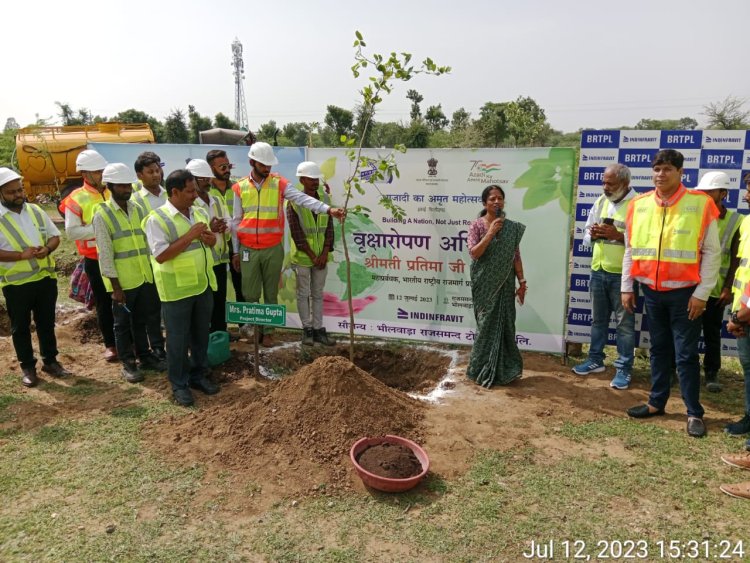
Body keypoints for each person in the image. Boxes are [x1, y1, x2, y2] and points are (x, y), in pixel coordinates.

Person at [622, 149, 720, 438]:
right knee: (659, 350)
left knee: (686, 354)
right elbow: (630, 250)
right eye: (657, 168)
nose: (660, 174)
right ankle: (656, 402)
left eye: (667, 169)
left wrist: (702, 294)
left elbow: (712, 253)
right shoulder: (638, 204)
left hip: (685, 294)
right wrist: (627, 286)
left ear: (680, 173)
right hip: (651, 292)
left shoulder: (700, 204)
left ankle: (693, 413)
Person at [230, 142, 345, 348]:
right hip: (248, 249)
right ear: (252, 162)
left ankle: (269, 333)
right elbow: (236, 221)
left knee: (271, 293)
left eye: (269, 165)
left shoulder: (279, 183)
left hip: (272, 248)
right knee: (250, 293)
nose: (267, 169)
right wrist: (236, 251)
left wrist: (328, 210)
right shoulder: (239, 187)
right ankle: (254, 329)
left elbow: (302, 199)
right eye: (263, 165)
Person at [144, 169, 219, 407]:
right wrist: (190, 236)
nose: (194, 196)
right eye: (189, 191)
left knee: (200, 335)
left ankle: (199, 375)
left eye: (195, 190)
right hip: (177, 290)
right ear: (174, 192)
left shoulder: (198, 211)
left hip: (202, 284)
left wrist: (210, 239)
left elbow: (210, 241)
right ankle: (179, 384)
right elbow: (161, 255)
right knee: (177, 340)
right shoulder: (158, 219)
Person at [93, 163, 166, 384]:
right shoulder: (102, 215)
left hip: (145, 275)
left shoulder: (138, 209)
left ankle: (146, 356)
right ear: (110, 186)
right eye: (121, 185)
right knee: (122, 324)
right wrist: (116, 288)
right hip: (122, 282)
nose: (126, 188)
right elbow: (105, 254)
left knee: (144, 319)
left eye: (128, 184)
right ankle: (128, 363)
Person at [0, 168, 72, 387]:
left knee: (46, 324)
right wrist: (20, 256)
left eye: (19, 189)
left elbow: (55, 236)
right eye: (12, 192)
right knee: (20, 328)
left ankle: (50, 361)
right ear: (0, 194)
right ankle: (28, 368)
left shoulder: (35, 211)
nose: (18, 195)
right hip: (16, 284)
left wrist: (47, 249)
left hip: (44, 280)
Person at [572, 163, 637, 389]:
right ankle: (595, 360)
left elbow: (643, 242)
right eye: (603, 182)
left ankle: (624, 368)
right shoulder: (601, 201)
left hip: (623, 275)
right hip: (598, 270)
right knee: (598, 321)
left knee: (625, 326)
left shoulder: (638, 205)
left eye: (610, 183)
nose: (605, 187)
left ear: (625, 184)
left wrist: (619, 236)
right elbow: (586, 234)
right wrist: (593, 234)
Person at [466, 184, 527, 387]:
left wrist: (522, 282)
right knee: (485, 326)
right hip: (484, 284)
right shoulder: (477, 226)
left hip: (505, 284)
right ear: (485, 203)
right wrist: (490, 233)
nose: (496, 201)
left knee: (506, 325)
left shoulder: (511, 228)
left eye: (499, 198)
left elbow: (515, 256)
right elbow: (474, 253)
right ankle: (479, 369)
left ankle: (506, 370)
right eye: (492, 198)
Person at [61, 149, 117, 361]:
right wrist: (102, 229)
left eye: (103, 169)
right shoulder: (76, 198)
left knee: (127, 299)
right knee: (104, 301)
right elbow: (72, 231)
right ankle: (111, 345)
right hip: (96, 258)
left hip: (122, 255)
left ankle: (131, 341)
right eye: (98, 171)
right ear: (85, 174)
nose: (103, 174)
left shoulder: (114, 190)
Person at [693, 171, 742, 393]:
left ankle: (711, 373)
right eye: (702, 192)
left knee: (712, 334)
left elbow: (736, 258)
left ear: (723, 193)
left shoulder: (736, 221)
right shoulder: (693, 215)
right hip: (691, 288)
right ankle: (685, 371)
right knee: (687, 334)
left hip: (716, 289)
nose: (705, 195)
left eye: (710, 192)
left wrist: (728, 288)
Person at [286, 161, 336, 346]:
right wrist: (313, 256)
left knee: (317, 294)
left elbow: (329, 227)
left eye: (317, 179)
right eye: (311, 179)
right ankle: (306, 329)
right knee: (303, 294)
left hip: (321, 257)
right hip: (302, 257)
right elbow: (296, 232)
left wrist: (323, 253)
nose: (315, 182)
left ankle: (318, 329)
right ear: (302, 179)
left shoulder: (325, 198)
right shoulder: (294, 201)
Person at [187, 158, 231, 333]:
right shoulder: (189, 204)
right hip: (201, 262)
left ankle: (220, 333)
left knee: (219, 299)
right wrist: (210, 228)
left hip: (218, 260)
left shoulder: (216, 200)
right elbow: (190, 230)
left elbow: (228, 220)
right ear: (191, 180)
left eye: (208, 178)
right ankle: (204, 335)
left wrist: (223, 226)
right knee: (203, 302)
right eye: (202, 179)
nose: (207, 182)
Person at [724, 172, 750, 437]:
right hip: (743, 311)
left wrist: (742, 315)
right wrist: (739, 313)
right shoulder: (747, 223)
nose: (746, 194)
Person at [207, 149, 244, 306]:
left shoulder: (239, 188)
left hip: (237, 244)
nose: (227, 170)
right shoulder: (204, 191)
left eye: (228, 166)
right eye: (222, 167)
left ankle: (245, 327)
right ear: (211, 168)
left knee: (242, 287)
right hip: (215, 246)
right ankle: (219, 328)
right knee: (217, 290)